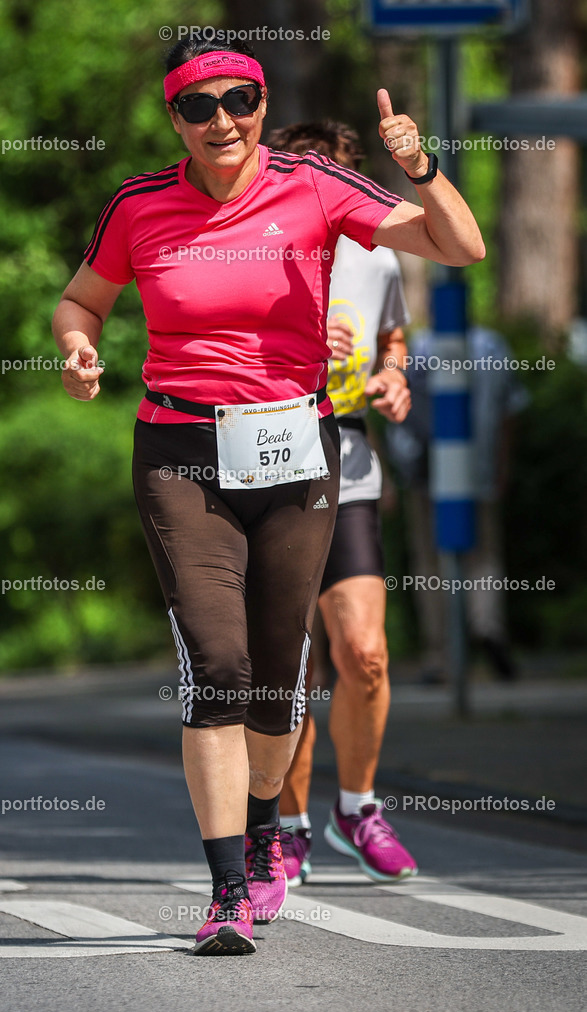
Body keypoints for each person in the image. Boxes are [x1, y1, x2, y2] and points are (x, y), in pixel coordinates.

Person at [52, 33, 484, 957]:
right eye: (198, 106)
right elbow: (82, 297)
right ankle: (223, 892)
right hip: (179, 448)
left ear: (259, 105)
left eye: (238, 101)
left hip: (293, 441)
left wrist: (422, 165)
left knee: (278, 678)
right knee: (217, 665)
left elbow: (460, 245)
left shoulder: (313, 185)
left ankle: (261, 826)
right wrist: (78, 346)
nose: (222, 121)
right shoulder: (137, 203)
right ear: (174, 117)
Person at [266, 121, 417, 887]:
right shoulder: (252, 250)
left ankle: (355, 807)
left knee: (362, 652)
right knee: (290, 667)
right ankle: (288, 828)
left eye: (338, 179)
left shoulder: (377, 253)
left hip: (349, 462)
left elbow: (391, 337)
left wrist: (393, 376)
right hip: (266, 463)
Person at [386, 326, 529, 684]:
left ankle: (440, 654)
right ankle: (487, 626)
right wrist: (501, 466)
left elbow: (400, 407)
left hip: (428, 471)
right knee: (483, 555)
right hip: (477, 470)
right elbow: (510, 411)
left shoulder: (420, 345)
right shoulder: (492, 345)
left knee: (430, 562)